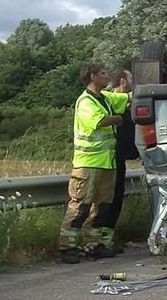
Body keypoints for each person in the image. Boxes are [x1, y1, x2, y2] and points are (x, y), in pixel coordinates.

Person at [59, 63, 131, 264]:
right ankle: (67, 248)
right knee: (80, 207)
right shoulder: (85, 102)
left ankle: (94, 245)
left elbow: (126, 98)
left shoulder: (105, 98)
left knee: (101, 208)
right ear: (92, 77)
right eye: (103, 74)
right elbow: (100, 121)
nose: (107, 77)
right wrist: (118, 119)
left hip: (106, 164)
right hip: (88, 164)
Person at [92, 69, 138, 253]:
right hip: (105, 159)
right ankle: (99, 242)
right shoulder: (108, 100)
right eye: (131, 79)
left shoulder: (116, 100)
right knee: (107, 202)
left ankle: (107, 241)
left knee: (115, 199)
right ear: (123, 81)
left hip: (116, 159)